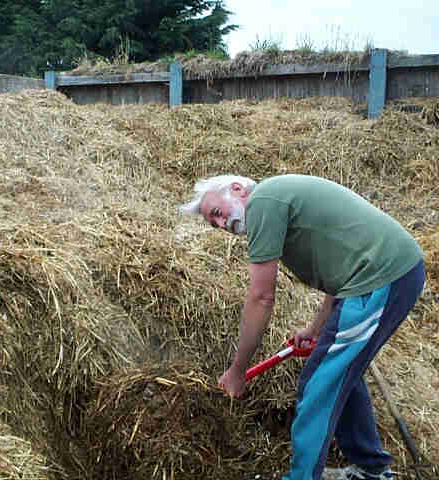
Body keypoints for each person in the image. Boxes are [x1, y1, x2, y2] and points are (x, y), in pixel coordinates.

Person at [179, 174, 425, 480]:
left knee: (319, 382)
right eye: (213, 224)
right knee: (338, 371)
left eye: (216, 213)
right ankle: (370, 470)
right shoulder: (278, 201)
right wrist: (316, 328)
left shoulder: (263, 204)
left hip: (383, 277)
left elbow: (261, 297)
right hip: (375, 276)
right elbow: (340, 267)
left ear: (238, 189)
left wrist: (238, 371)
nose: (220, 225)